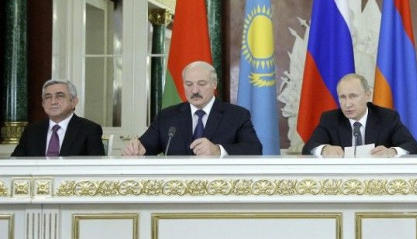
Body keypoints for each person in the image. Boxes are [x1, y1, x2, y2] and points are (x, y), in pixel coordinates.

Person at [123, 61, 262, 156]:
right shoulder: (167, 117)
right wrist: (137, 149)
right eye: (189, 84)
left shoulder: (236, 115)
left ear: (214, 84)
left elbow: (254, 149)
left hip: (219, 190)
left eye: (201, 84)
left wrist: (218, 151)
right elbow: (146, 145)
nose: (194, 90)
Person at [302, 73, 417, 157]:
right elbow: (308, 148)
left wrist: (392, 152)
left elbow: (414, 148)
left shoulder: (387, 117)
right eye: (342, 97)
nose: (347, 104)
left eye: (353, 96)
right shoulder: (330, 119)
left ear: (368, 95)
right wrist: (324, 150)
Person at [12, 80, 105, 157]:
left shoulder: (89, 129)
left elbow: (96, 168)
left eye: (60, 96)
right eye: (48, 97)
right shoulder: (31, 131)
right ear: (43, 104)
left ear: (74, 101)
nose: (53, 102)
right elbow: (15, 163)